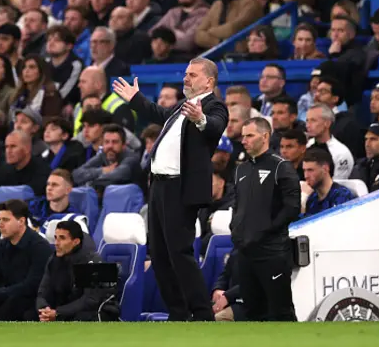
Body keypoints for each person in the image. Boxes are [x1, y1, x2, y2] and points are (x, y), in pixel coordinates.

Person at [112, 57, 228, 321]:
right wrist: (136, 99)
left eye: (193, 75)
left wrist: (200, 119)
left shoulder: (214, 105)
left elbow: (216, 126)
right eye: (186, 73)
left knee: (180, 254)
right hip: (159, 187)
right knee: (161, 256)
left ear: (208, 81)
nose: (186, 78)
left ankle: (201, 314)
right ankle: (177, 313)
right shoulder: (181, 106)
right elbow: (159, 114)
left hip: (180, 188)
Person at [231, 117, 300, 321]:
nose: (244, 140)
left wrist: (266, 230)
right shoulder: (240, 170)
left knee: (281, 312)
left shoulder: (281, 167)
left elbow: (292, 208)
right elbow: (238, 205)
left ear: (265, 136)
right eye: (243, 136)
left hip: (272, 252)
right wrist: (235, 229)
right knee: (251, 312)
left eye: (250, 135)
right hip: (245, 252)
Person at [34, 220, 117, 322]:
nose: (56, 243)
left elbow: (90, 300)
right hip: (65, 311)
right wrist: (44, 309)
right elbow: (43, 292)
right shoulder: (53, 260)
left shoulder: (92, 261)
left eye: (62, 238)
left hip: (95, 313)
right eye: (55, 238)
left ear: (76, 241)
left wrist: (58, 313)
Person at [72, 124, 140, 189]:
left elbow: (115, 176)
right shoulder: (103, 155)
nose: (110, 146)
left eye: (115, 142)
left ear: (124, 145)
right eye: (106, 142)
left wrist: (91, 182)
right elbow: (76, 174)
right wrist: (102, 170)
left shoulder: (131, 158)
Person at [301, 148, 355, 218]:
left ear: (325, 169)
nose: (306, 176)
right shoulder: (312, 199)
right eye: (304, 171)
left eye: (310, 170)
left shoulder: (341, 195)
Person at [306, 104, 354, 179]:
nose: (308, 125)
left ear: (327, 123)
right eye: (307, 120)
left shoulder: (341, 153)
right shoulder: (307, 145)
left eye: (313, 120)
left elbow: (339, 184)